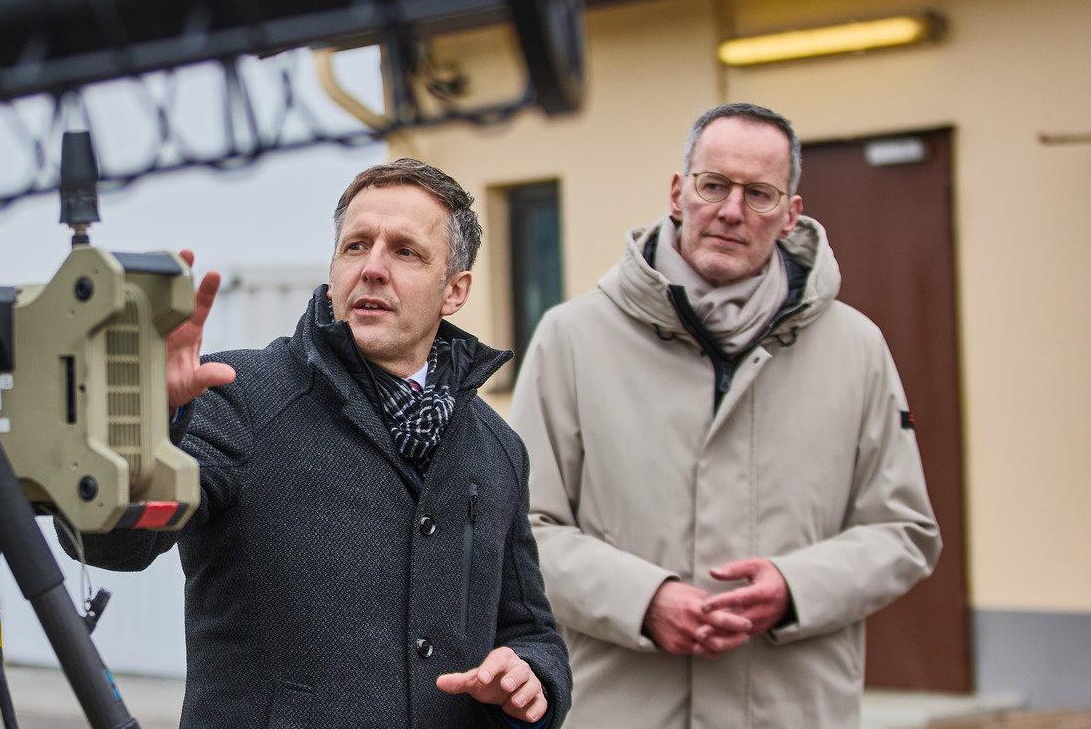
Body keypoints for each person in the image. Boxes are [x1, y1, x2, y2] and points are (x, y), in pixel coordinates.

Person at [75, 159, 571, 729]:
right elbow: (114, 546)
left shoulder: (497, 446)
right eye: (356, 245)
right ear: (333, 269)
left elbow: (530, 631)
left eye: (405, 251)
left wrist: (530, 676)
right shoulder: (237, 397)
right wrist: (146, 421)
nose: (374, 268)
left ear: (454, 290)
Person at [508, 103, 941, 729]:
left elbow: (904, 530)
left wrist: (795, 589)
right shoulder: (570, 340)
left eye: (759, 194)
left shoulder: (857, 347)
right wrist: (644, 600)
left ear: (791, 214)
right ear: (679, 192)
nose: (732, 211)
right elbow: (519, 529)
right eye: (715, 185)